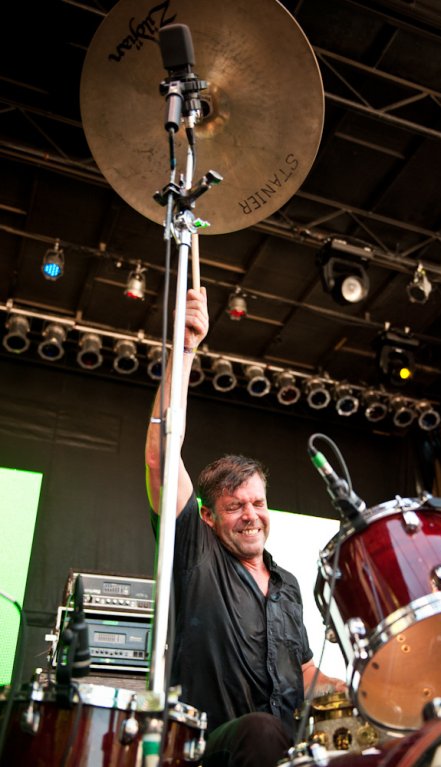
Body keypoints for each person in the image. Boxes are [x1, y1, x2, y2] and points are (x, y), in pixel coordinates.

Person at [145, 287, 346, 767]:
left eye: (258, 502)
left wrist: (361, 690)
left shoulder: (288, 586)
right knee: (260, 730)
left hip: (279, 749)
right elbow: (161, 456)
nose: (251, 514)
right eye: (235, 506)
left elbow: (302, 672)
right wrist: (186, 349)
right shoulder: (197, 550)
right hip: (205, 749)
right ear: (209, 516)